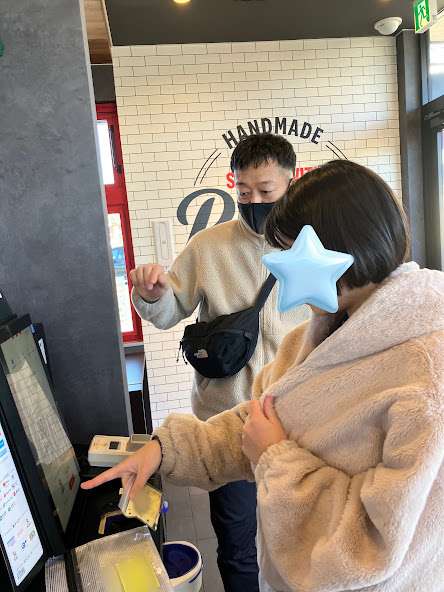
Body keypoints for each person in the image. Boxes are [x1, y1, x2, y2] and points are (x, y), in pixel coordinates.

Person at [84, 159, 444, 592]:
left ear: (340, 250)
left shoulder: (428, 375)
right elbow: (254, 421)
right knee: (234, 543)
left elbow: (374, 543)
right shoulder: (312, 338)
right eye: (243, 190)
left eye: (292, 255)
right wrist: (165, 450)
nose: (281, 270)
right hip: (292, 575)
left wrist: (275, 457)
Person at [128, 133, 311, 592]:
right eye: (243, 192)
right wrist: (152, 295)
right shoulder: (209, 246)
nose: (254, 203)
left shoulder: (313, 249)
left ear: (291, 181)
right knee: (235, 542)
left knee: (302, 537)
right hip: (227, 422)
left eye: (266, 191)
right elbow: (170, 310)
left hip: (299, 421)